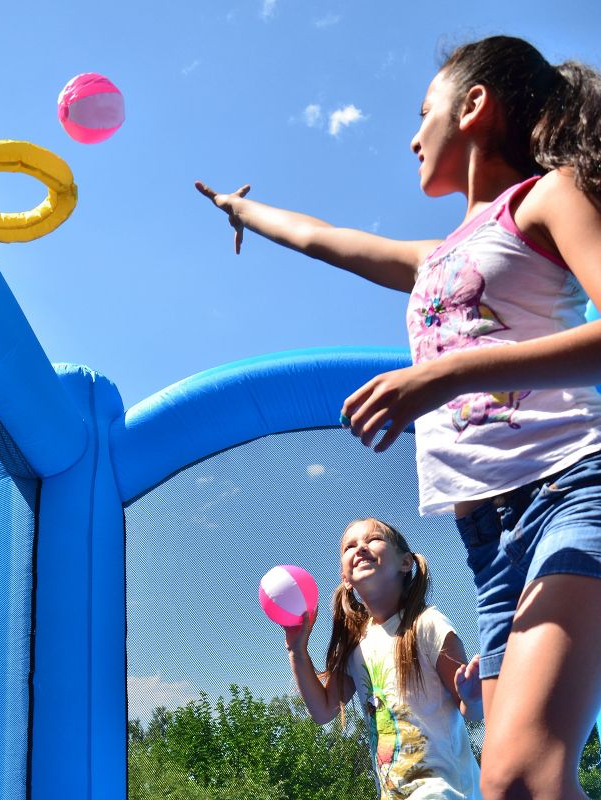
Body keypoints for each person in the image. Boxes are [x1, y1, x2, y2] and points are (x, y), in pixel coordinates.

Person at [196, 35, 601, 800]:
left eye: (425, 113)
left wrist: (444, 373)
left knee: (528, 771)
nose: (413, 136)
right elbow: (325, 240)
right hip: (489, 543)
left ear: (475, 106)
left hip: (574, 495)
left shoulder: (548, 198)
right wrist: (241, 207)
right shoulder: (432, 256)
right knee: (508, 787)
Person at [286, 517, 482, 800]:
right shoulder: (356, 647)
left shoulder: (427, 624)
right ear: (345, 579)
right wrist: (296, 650)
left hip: (445, 791)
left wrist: (473, 697)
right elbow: (323, 710)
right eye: (349, 546)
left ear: (406, 563)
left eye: (373, 539)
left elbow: (472, 712)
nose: (361, 548)